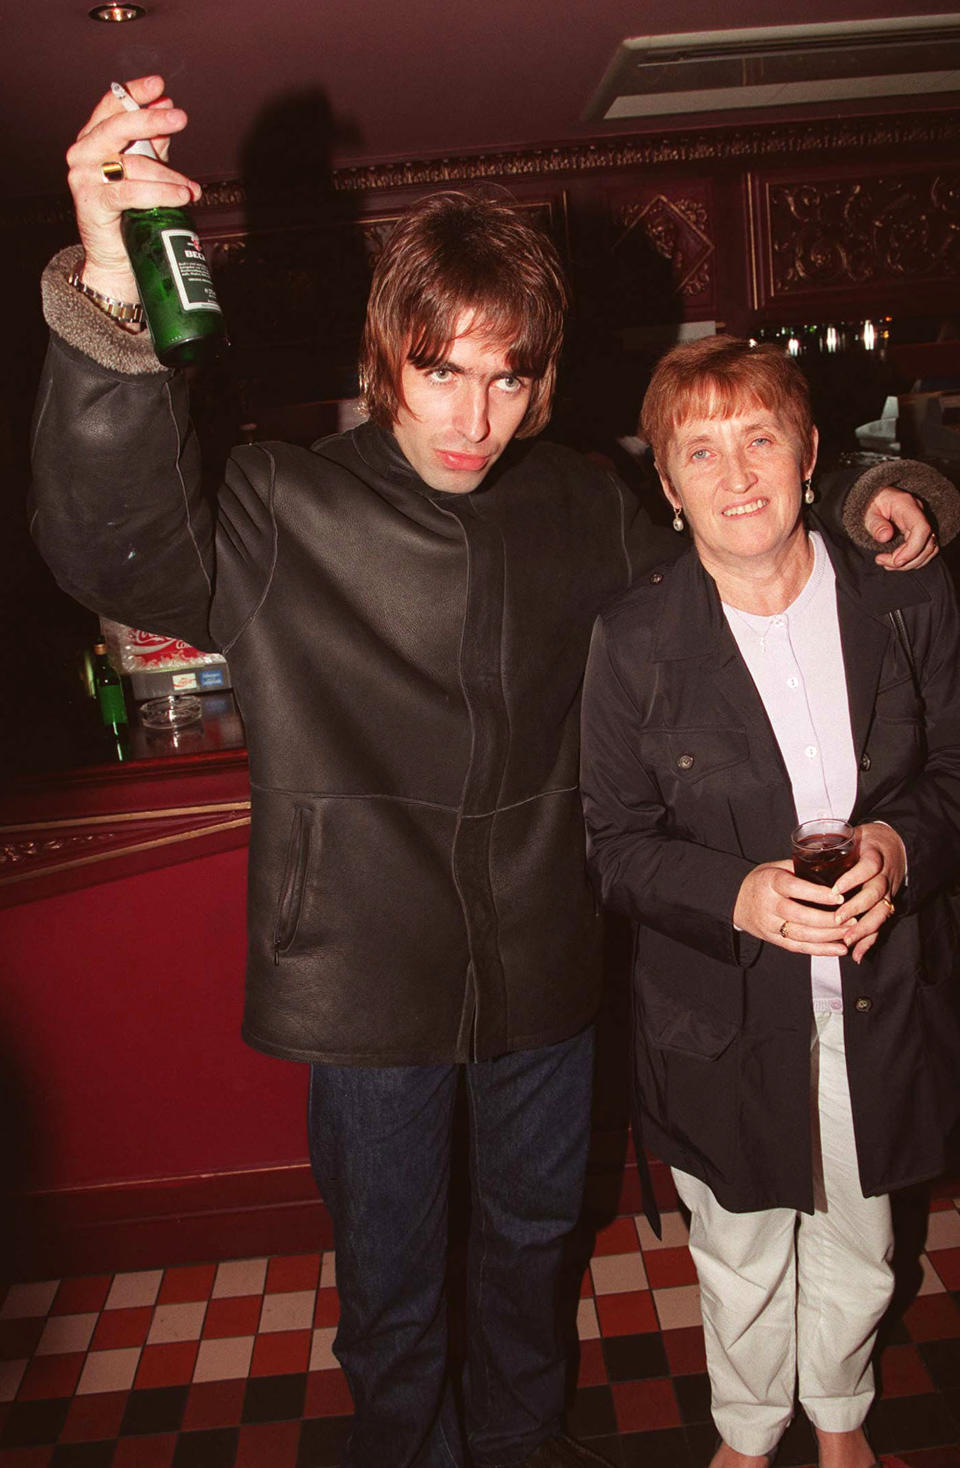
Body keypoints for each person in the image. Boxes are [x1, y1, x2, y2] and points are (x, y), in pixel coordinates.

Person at [29, 78, 954, 1468]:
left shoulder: (584, 501)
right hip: (364, 978)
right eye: (442, 369)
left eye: (508, 373)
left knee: (530, 1257)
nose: (474, 411)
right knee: (396, 1297)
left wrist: (876, 497)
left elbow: (729, 517)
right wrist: (109, 287)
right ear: (386, 359)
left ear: (540, 378)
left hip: (543, 970)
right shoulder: (286, 503)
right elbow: (110, 543)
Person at [580, 335, 960, 1468]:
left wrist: (900, 842)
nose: (737, 474)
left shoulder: (905, 598)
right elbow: (611, 842)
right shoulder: (635, 637)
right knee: (739, 1241)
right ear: (667, 479)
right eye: (702, 450)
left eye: (761, 439)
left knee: (862, 1228)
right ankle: (748, 1432)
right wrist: (736, 894)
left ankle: (840, 1418)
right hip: (720, 1002)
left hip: (876, 984)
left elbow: (952, 775)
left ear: (808, 455)